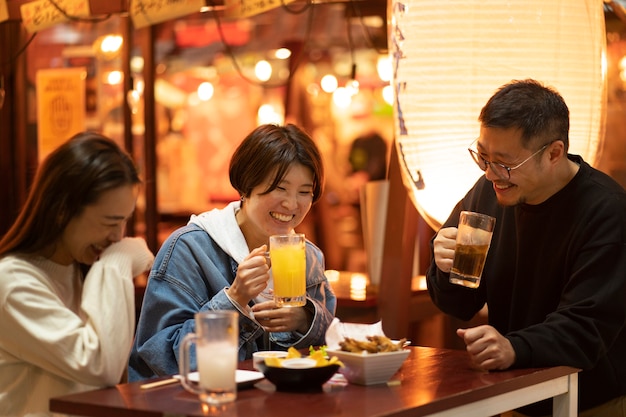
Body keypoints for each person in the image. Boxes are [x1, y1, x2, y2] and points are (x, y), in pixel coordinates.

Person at [426, 79, 626, 417]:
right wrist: (446, 268)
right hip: (514, 393)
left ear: (553, 153)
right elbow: (459, 301)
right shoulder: (490, 191)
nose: (491, 174)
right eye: (483, 156)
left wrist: (514, 348)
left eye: (505, 163)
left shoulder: (606, 211)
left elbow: (585, 328)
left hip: (590, 401)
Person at [128, 123, 336, 381]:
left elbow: (328, 351)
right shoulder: (190, 249)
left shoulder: (308, 257)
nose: (292, 204)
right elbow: (163, 359)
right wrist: (235, 299)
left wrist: (306, 320)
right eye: (280, 188)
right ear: (247, 185)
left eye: (305, 192)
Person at [0, 132, 155, 417]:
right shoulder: (12, 283)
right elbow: (100, 366)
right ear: (62, 210)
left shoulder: (82, 271)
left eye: (124, 222)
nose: (118, 237)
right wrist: (116, 262)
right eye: (110, 222)